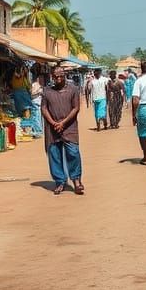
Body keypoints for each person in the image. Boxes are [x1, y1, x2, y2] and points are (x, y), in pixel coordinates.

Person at [41, 67, 84, 195]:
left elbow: (76, 108)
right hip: (52, 128)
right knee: (54, 154)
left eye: (60, 76)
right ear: (52, 76)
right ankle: (60, 181)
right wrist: (54, 123)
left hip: (69, 127)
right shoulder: (47, 91)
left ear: (64, 75)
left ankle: (76, 180)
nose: (58, 78)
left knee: (73, 153)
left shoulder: (73, 89)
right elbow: (44, 109)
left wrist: (63, 123)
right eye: (55, 76)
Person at [10, 66, 33, 136]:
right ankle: (26, 129)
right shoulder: (21, 77)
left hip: (18, 95)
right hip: (22, 95)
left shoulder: (17, 77)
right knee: (26, 111)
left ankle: (24, 129)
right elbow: (29, 87)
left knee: (21, 112)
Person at [29, 73, 46, 138]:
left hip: (36, 102)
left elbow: (32, 93)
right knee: (37, 117)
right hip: (36, 102)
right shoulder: (36, 85)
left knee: (37, 117)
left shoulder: (36, 85)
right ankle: (39, 131)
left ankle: (38, 131)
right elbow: (33, 93)